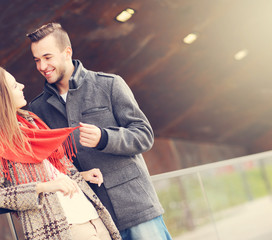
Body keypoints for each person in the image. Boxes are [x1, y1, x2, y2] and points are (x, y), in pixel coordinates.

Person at [26, 23, 172, 240]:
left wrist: (104, 138)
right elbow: (47, 166)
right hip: (91, 220)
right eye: (37, 60)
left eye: (48, 57)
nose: (42, 65)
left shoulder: (109, 85)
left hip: (136, 207)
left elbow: (144, 135)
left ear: (67, 53)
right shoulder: (38, 109)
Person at [0, 64, 121, 240]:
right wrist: (42, 187)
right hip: (62, 228)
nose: (22, 85)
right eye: (14, 85)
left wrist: (82, 176)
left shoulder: (31, 122)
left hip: (92, 216)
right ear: (0, 96)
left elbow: (52, 171)